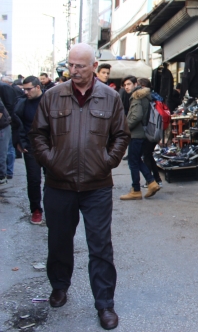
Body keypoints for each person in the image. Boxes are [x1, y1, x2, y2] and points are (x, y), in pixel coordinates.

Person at [29, 43, 129, 330]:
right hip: (59, 184)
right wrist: (52, 161)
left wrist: (108, 161)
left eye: (80, 66)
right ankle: (59, 285)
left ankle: (105, 305)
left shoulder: (110, 97)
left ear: (93, 66)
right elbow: (38, 134)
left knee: (100, 246)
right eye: (70, 65)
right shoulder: (52, 96)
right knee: (59, 241)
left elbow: (121, 135)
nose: (73, 70)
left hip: (96, 186)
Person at [120, 78, 161, 200]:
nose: (126, 87)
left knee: (133, 162)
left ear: (135, 84)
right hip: (142, 133)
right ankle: (151, 182)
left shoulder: (136, 96)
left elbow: (137, 115)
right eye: (125, 85)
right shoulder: (143, 96)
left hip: (136, 134)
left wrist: (126, 127)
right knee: (137, 160)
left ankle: (136, 190)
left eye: (129, 84)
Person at [14, 76, 45, 224]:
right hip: (31, 147)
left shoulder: (49, 100)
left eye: (28, 89)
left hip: (50, 146)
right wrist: (19, 142)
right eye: (24, 89)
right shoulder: (22, 104)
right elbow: (16, 123)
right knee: (33, 180)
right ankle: (36, 210)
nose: (25, 92)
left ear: (38, 87)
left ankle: (54, 208)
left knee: (54, 179)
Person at [137, 78, 163, 187]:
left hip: (149, 130)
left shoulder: (146, 98)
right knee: (149, 155)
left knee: (146, 155)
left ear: (142, 86)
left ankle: (150, 181)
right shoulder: (156, 96)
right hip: (156, 129)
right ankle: (156, 179)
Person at [0, 78, 17, 185]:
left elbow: (1, 110)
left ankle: (3, 176)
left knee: (3, 151)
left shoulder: (4, 87)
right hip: (6, 123)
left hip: (3, 126)